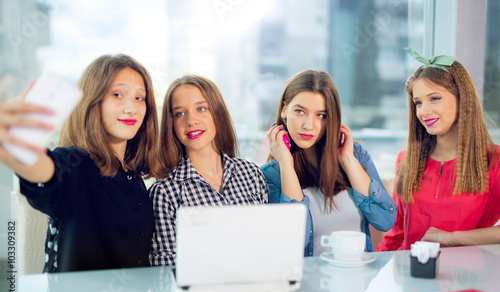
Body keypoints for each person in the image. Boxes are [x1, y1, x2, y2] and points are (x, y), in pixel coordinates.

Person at [0, 54, 161, 272]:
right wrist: (16, 143)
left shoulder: (133, 175)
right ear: (93, 102)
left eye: (139, 98)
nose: (130, 107)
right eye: (117, 94)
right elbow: (44, 169)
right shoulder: (74, 164)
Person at [261, 69, 396, 256]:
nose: (309, 125)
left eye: (321, 115)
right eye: (300, 111)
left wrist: (347, 160)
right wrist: (285, 164)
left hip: (357, 280)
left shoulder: (357, 156)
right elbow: (294, 240)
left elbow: (385, 220)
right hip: (307, 282)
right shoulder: (270, 175)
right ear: (285, 110)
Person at [377, 48, 500, 251]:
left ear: (462, 99)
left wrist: (450, 237)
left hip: (466, 280)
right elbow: (397, 233)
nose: (424, 111)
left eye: (434, 98)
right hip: (410, 277)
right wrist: (374, 274)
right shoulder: (406, 160)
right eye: (418, 102)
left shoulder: (493, 161)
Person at [149, 75, 268, 266]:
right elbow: (164, 273)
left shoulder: (252, 175)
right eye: (180, 113)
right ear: (171, 125)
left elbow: (267, 248)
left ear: (217, 114)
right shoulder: (164, 192)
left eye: (201, 109)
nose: (191, 120)